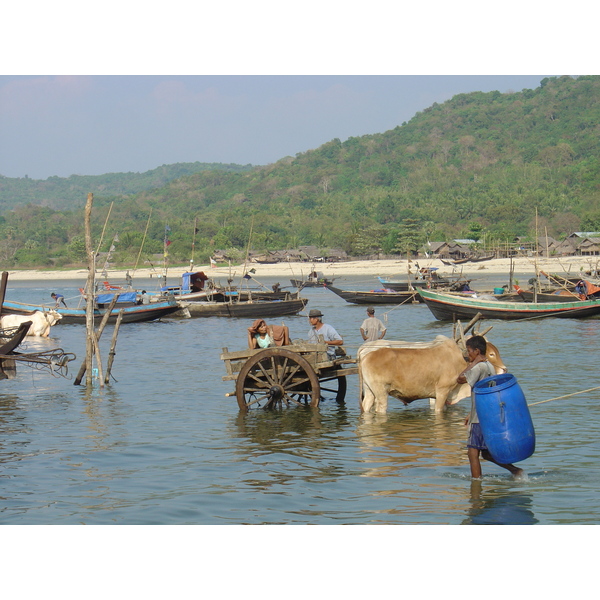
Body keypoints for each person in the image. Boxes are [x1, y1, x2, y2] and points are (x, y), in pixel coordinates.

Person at [458, 335, 523, 479]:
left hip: (479, 418)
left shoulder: (479, 366)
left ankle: (476, 486)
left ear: (476, 351)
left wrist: (472, 363)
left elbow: (460, 379)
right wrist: (471, 413)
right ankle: (515, 471)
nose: (468, 354)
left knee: (472, 453)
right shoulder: (490, 367)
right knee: (486, 454)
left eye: (469, 351)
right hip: (486, 414)